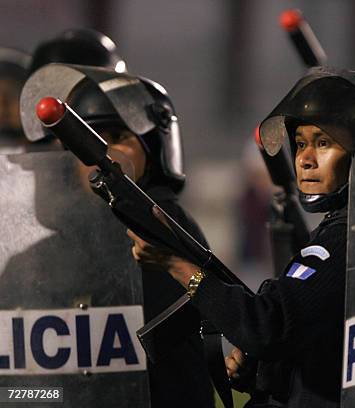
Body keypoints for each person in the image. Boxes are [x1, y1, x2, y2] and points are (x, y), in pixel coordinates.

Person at [129, 66, 355, 407]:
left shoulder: (347, 237)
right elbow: (324, 354)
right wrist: (263, 373)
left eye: (323, 143)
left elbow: (266, 328)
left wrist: (178, 266)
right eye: (300, 144)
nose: (305, 159)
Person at [19, 63, 214, 408]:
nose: (103, 153)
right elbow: (21, 387)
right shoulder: (32, 262)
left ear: (154, 150)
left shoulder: (172, 236)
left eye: (119, 137)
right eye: (88, 141)